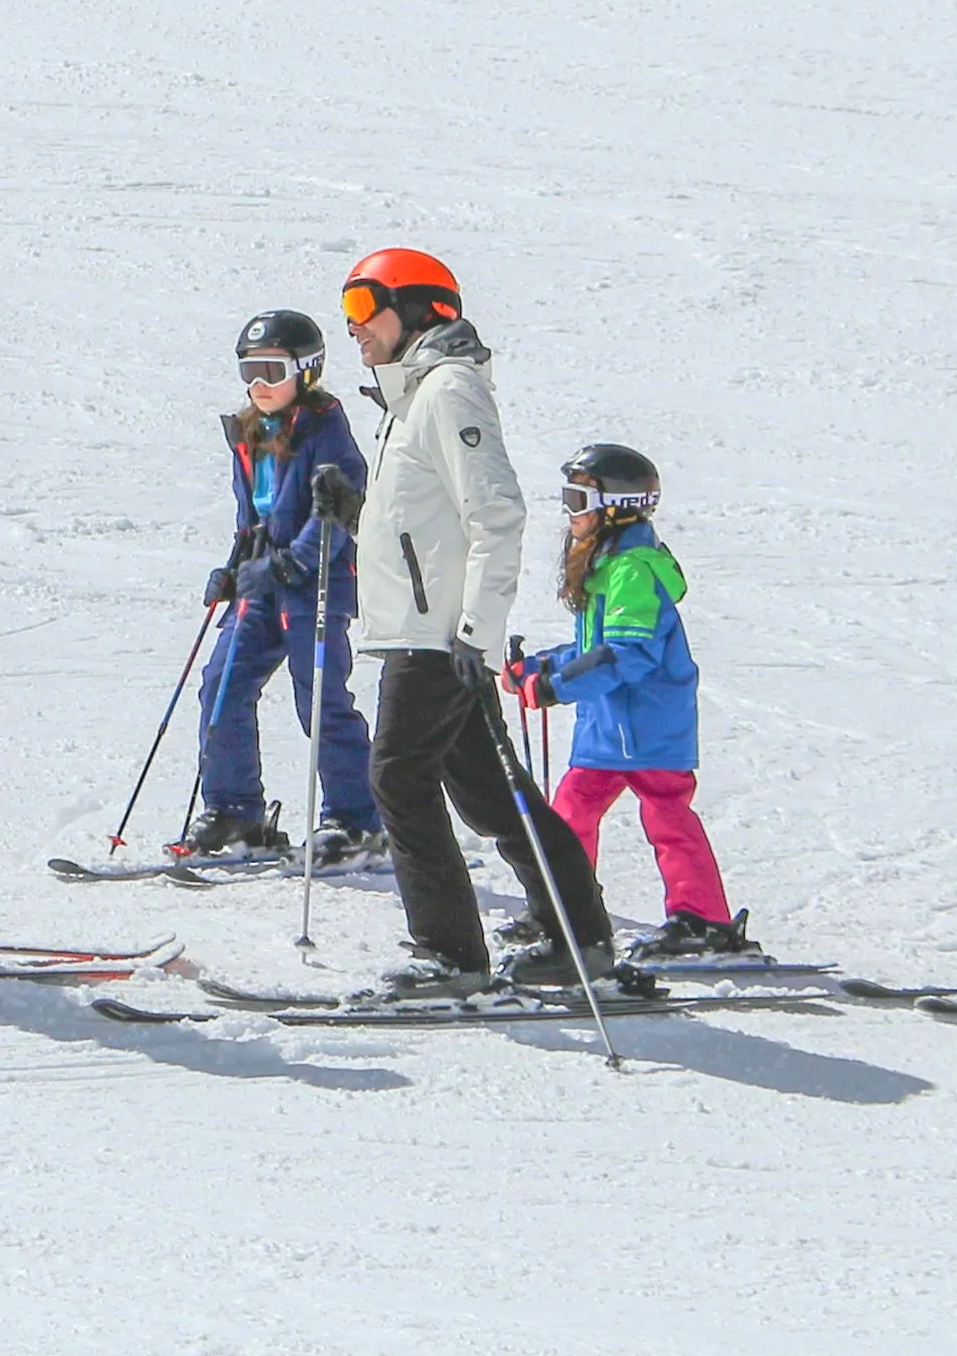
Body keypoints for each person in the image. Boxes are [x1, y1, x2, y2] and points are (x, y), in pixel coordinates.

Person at [311, 248, 615, 996]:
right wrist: (354, 515)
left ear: (420, 309)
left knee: (398, 778)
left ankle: (450, 956)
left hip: (438, 636)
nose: (351, 328)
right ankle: (577, 936)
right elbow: (423, 523)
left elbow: (497, 512)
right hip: (427, 628)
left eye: (362, 308)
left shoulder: (446, 390)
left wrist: (475, 633)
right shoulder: (409, 399)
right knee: (485, 792)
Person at [501, 444, 754, 960]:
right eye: (568, 498)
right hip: (610, 726)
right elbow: (594, 648)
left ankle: (702, 919)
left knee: (665, 815)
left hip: (646, 725)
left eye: (579, 499)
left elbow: (628, 654)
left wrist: (558, 687)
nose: (570, 513)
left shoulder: (631, 570)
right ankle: (564, 907)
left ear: (618, 506)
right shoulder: (607, 563)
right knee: (570, 814)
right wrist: (543, 667)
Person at [183, 310, 384, 861]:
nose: (259, 383)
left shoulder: (326, 432)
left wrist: (289, 564)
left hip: (312, 585)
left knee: (319, 700)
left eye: (272, 369)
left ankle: (356, 817)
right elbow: (255, 518)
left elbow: (336, 513)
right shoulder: (249, 433)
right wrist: (234, 565)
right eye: (250, 370)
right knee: (221, 684)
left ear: (308, 371)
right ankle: (236, 809)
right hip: (263, 583)